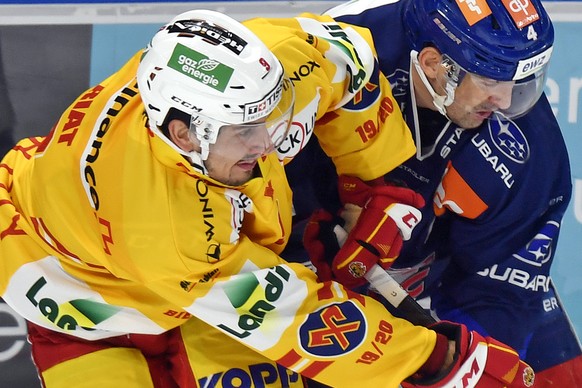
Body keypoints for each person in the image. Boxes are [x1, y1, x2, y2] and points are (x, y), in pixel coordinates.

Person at [0, 9, 535, 388]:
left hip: (197, 280)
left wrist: (373, 181)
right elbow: (293, 319)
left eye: (269, 114)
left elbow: (350, 64)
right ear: (185, 134)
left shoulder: (262, 73)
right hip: (84, 305)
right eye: (246, 130)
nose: (267, 142)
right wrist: (437, 360)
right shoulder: (163, 227)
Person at [291, 0, 582, 385]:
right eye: (493, 80)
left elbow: (501, 288)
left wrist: (454, 359)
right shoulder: (325, 57)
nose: (508, 102)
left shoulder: (525, 145)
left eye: (522, 81)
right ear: (433, 64)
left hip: (429, 283)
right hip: (296, 276)